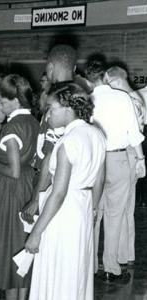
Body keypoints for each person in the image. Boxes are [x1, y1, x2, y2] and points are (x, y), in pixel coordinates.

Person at [25, 83, 106, 300]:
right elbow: (99, 179)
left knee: (58, 271)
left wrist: (35, 233)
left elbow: (58, 193)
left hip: (63, 213)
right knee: (75, 270)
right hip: (83, 207)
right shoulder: (96, 134)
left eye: (52, 108)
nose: (48, 114)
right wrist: (94, 209)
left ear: (68, 109)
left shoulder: (68, 142)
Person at [0, 74, 39, 300]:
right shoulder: (33, 121)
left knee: (8, 248)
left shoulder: (12, 126)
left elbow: (12, 170)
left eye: (2, 102)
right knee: (21, 246)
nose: (0, 106)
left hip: (10, 190)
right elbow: (25, 160)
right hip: (27, 185)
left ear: (15, 100)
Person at [85, 59, 145, 282]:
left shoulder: (86, 100)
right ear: (104, 76)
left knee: (94, 214)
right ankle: (111, 268)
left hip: (94, 162)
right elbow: (133, 133)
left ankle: (89, 266)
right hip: (118, 159)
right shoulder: (121, 98)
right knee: (115, 215)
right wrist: (140, 159)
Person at [22, 44, 76, 224]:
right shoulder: (76, 96)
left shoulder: (59, 101)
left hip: (51, 182)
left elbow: (50, 154)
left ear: (50, 67)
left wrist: (36, 198)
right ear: (74, 68)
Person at [105, 65, 146, 267]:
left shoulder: (129, 99)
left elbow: (133, 133)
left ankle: (122, 255)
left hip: (128, 153)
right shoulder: (135, 97)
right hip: (130, 154)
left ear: (116, 81)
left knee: (123, 208)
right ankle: (126, 253)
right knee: (126, 208)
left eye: (108, 83)